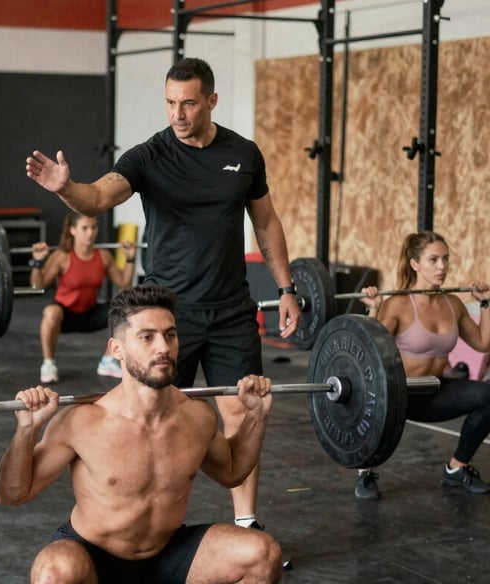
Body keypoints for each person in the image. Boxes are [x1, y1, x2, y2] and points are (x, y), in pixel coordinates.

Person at [25, 57, 300, 530]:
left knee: (242, 411)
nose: (178, 113)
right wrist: (66, 188)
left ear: (211, 101)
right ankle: (149, 524)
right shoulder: (149, 156)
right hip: (168, 315)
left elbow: (266, 220)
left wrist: (287, 287)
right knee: (158, 417)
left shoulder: (244, 154)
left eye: (189, 103)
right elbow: (99, 196)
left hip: (232, 309)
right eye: (171, 103)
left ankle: (246, 524)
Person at [0, 285, 282, 583]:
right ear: (116, 349)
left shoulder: (197, 417)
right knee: (54, 572)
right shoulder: (81, 422)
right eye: (147, 337)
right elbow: (11, 494)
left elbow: (233, 472)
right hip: (94, 556)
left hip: (168, 552)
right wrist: (26, 431)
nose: (163, 347)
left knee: (262, 555)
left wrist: (256, 417)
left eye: (170, 335)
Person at [354, 231, 490, 500]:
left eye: (446, 259)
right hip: (396, 395)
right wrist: (373, 309)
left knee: (488, 396)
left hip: (433, 391)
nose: (442, 267)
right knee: (371, 402)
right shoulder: (398, 305)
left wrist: (485, 303)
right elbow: (369, 352)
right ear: (415, 264)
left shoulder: (453, 304)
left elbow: (483, 344)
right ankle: (365, 472)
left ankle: (455, 469)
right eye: (433, 260)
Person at [29, 212, 136, 383]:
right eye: (84, 228)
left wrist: (130, 258)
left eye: (93, 227)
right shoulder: (62, 256)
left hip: (89, 313)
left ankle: (108, 360)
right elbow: (37, 286)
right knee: (50, 311)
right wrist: (37, 262)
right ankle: (48, 364)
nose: (90, 233)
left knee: (126, 310)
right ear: (73, 230)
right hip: (64, 315)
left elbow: (124, 283)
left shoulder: (103, 256)